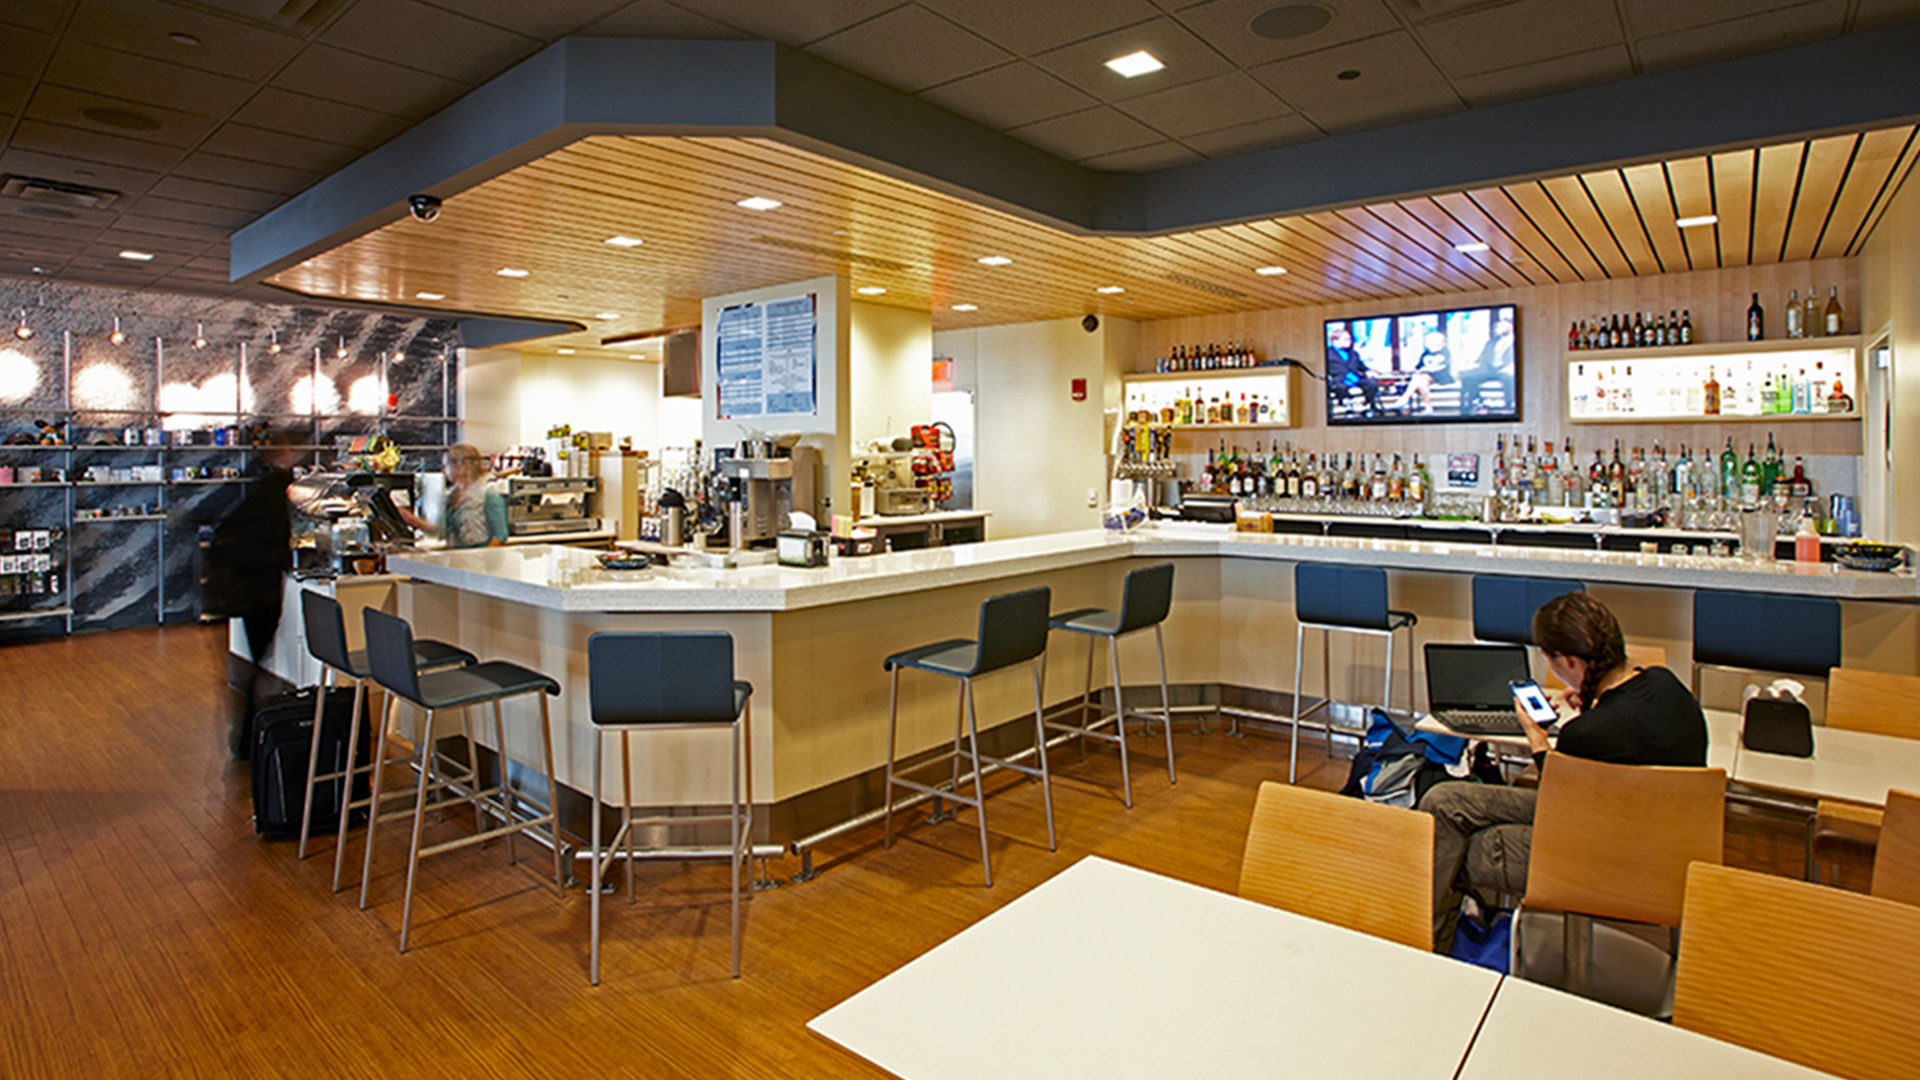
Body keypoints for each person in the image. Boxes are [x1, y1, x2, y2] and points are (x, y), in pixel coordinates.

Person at [1417, 592, 1707, 952]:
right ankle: (1441, 937)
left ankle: (1430, 946)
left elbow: (1556, 798)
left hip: (1599, 856)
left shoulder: (1587, 734)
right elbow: (1625, 743)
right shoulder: (1665, 684)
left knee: (1453, 850)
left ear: (1568, 660)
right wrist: (1590, 701)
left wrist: (1537, 738)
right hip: (1672, 845)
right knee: (1443, 800)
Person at [203, 431, 298, 760]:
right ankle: (246, 735)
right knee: (257, 663)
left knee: (254, 665)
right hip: (260, 590)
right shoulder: (272, 488)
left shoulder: (253, 485)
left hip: (244, 589)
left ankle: (244, 733)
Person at [397, 442, 507, 548]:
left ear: (461, 466)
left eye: (446, 465)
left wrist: (483, 558)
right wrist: (413, 521)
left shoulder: (487, 496)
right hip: (457, 560)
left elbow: (500, 535)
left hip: (477, 562)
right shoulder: (451, 497)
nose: (443, 470)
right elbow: (440, 531)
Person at [1460, 310, 1517, 415]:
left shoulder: (1516, 340)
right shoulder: (1493, 341)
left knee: (1509, 376)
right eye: (1498, 326)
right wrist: (1474, 364)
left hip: (1508, 369)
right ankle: (1477, 404)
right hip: (1491, 369)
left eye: (1503, 325)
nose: (1498, 328)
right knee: (1467, 375)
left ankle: (1510, 407)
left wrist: (1512, 366)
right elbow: (1482, 357)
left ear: (1511, 325)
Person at [1325, 325, 1382, 418]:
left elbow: (1361, 366)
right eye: (1346, 339)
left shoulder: (1353, 353)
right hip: (1339, 379)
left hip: (1355, 377)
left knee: (1371, 384)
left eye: (1350, 339)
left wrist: (1368, 371)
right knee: (1340, 387)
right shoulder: (1327, 354)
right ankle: (1348, 408)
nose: (1350, 342)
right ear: (1335, 341)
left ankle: (1368, 406)